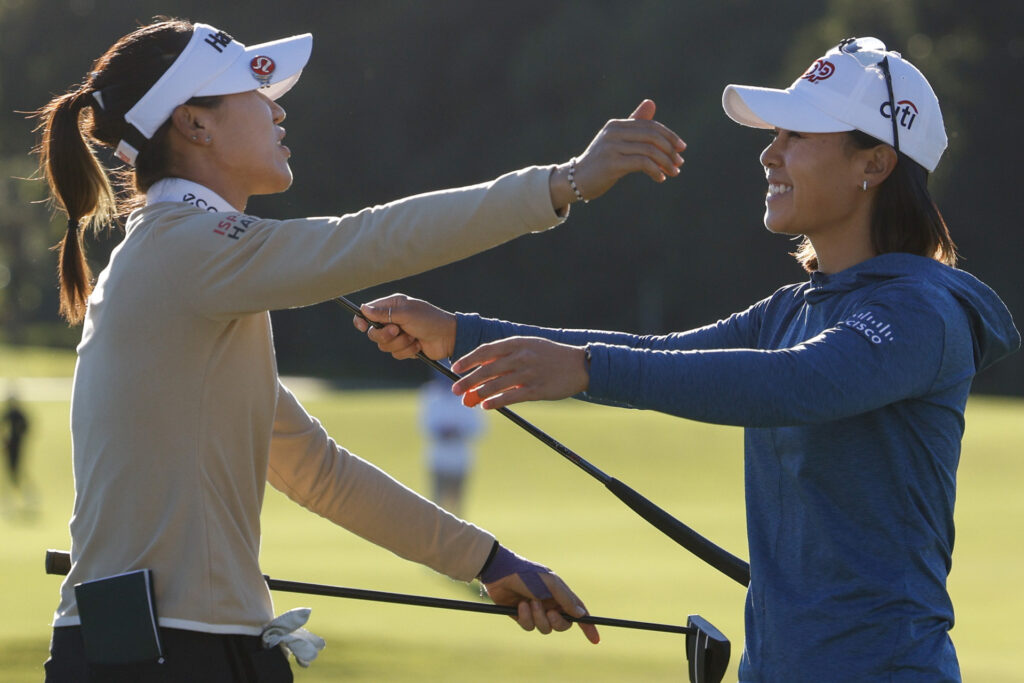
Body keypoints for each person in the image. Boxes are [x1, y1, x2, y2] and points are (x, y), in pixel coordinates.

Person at [34, 17, 686, 682]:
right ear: (195, 125)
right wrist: (565, 181)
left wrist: (487, 560)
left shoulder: (183, 255)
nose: (276, 107)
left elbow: (318, 470)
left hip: (182, 643)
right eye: (253, 92)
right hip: (167, 651)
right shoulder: (184, 248)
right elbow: (367, 239)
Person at [356, 37, 1021, 681]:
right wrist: (458, 335)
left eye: (797, 136)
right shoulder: (792, 308)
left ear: (872, 164)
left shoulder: (923, 310)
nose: (770, 155)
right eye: (774, 135)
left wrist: (583, 367)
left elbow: (800, 382)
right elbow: (661, 353)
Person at [420, 370, 485, 518]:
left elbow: (478, 428)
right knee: (436, 505)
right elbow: (425, 425)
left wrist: (458, 431)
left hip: (460, 461)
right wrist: (443, 432)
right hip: (438, 461)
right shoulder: (431, 394)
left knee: (457, 507)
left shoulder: (468, 395)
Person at [2, 394, 29, 488]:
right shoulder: (9, 413)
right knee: (11, 467)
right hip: (10, 444)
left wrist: (18, 434)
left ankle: (19, 484)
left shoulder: (17, 414)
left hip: (16, 443)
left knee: (16, 466)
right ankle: (15, 484)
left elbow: (25, 426)